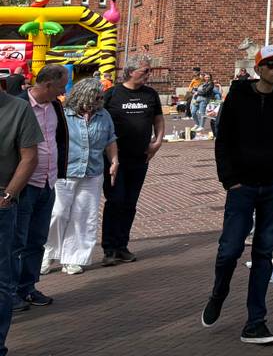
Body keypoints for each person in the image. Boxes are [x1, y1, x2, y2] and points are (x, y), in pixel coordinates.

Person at [203, 45, 273, 345]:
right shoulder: (238, 95)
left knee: (263, 253)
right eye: (272, 65)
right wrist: (229, 180)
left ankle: (255, 322)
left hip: (272, 187)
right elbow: (223, 141)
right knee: (230, 250)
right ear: (259, 68)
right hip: (242, 186)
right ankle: (219, 291)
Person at [41, 79, 116, 276]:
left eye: (100, 97)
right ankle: (47, 253)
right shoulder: (63, 114)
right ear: (82, 95)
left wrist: (114, 161)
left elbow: (110, 139)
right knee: (58, 212)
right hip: (65, 170)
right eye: (95, 97)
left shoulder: (103, 115)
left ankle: (74, 257)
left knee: (83, 215)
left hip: (92, 172)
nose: (98, 101)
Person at [11, 65, 67, 311]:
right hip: (24, 185)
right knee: (16, 241)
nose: (63, 91)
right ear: (47, 85)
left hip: (48, 181)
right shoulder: (18, 105)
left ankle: (27, 287)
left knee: (37, 239)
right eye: (61, 86)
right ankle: (9, 291)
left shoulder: (55, 106)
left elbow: (59, 139)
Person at [101, 57, 163, 266]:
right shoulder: (112, 94)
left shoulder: (150, 94)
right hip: (114, 159)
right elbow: (99, 119)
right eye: (145, 70)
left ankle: (122, 246)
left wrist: (158, 141)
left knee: (130, 203)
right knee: (115, 201)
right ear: (130, 72)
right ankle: (109, 248)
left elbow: (158, 119)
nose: (148, 74)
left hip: (140, 157)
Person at [0, 88, 41, 355]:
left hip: (1, 204)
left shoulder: (18, 109)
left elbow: (29, 158)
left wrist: (7, 196)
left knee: (1, 281)